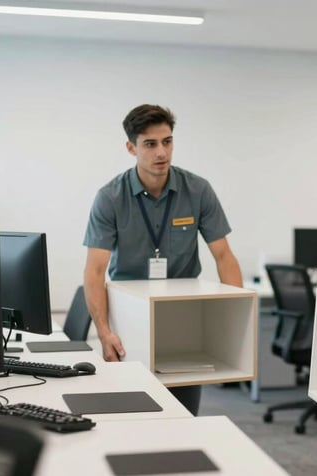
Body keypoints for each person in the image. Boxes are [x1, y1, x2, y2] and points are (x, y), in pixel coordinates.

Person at [83, 104, 243, 415]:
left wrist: (234, 320)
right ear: (132, 148)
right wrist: (103, 332)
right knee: (133, 408)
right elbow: (95, 271)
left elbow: (224, 256)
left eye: (167, 141)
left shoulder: (197, 190)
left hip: (183, 315)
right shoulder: (110, 197)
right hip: (128, 314)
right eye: (150, 144)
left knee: (183, 410)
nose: (161, 152)